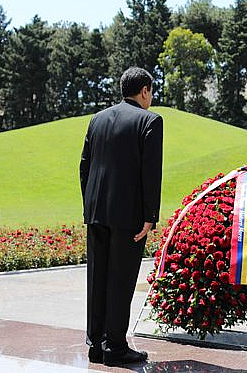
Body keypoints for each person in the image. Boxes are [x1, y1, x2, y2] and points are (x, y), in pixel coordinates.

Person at [80, 67, 163, 366]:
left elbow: (84, 166)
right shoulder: (150, 121)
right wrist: (150, 215)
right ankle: (114, 346)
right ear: (144, 91)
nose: (151, 97)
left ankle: (96, 344)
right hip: (129, 215)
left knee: (97, 278)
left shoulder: (97, 119)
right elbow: (151, 171)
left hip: (96, 212)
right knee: (120, 279)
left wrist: (90, 205)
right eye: (151, 92)